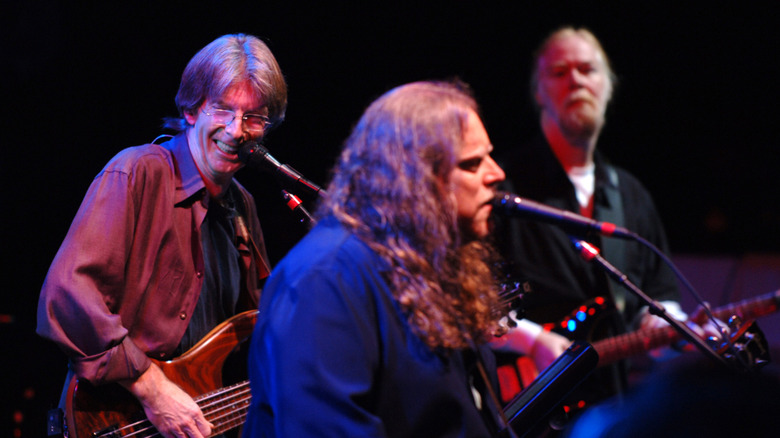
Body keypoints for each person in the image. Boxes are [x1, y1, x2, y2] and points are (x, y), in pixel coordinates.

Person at [36, 33, 287, 438]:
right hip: (120, 419)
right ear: (191, 110)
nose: (236, 130)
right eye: (222, 109)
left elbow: (256, 334)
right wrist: (153, 390)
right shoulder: (138, 172)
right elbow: (68, 296)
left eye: (253, 117)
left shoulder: (243, 207)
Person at [244, 80, 511, 437]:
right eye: (472, 163)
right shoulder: (323, 279)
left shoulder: (427, 262)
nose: (497, 174)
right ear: (413, 178)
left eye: (489, 156)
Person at [491, 26, 702, 415]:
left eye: (588, 69)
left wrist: (668, 327)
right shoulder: (501, 187)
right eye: (559, 72)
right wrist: (534, 341)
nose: (575, 80)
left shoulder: (632, 195)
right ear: (538, 92)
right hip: (525, 406)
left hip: (609, 406)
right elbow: (469, 299)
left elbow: (657, 295)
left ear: (609, 86)